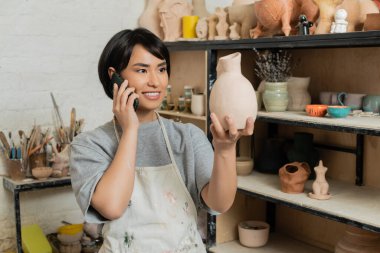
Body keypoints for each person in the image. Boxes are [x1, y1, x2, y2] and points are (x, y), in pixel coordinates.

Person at [70, 28, 254, 252]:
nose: (155, 81)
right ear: (114, 76)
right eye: (142, 70)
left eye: (161, 69)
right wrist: (130, 130)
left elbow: (219, 203)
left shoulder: (187, 136)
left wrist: (225, 150)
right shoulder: (89, 146)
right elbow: (112, 207)